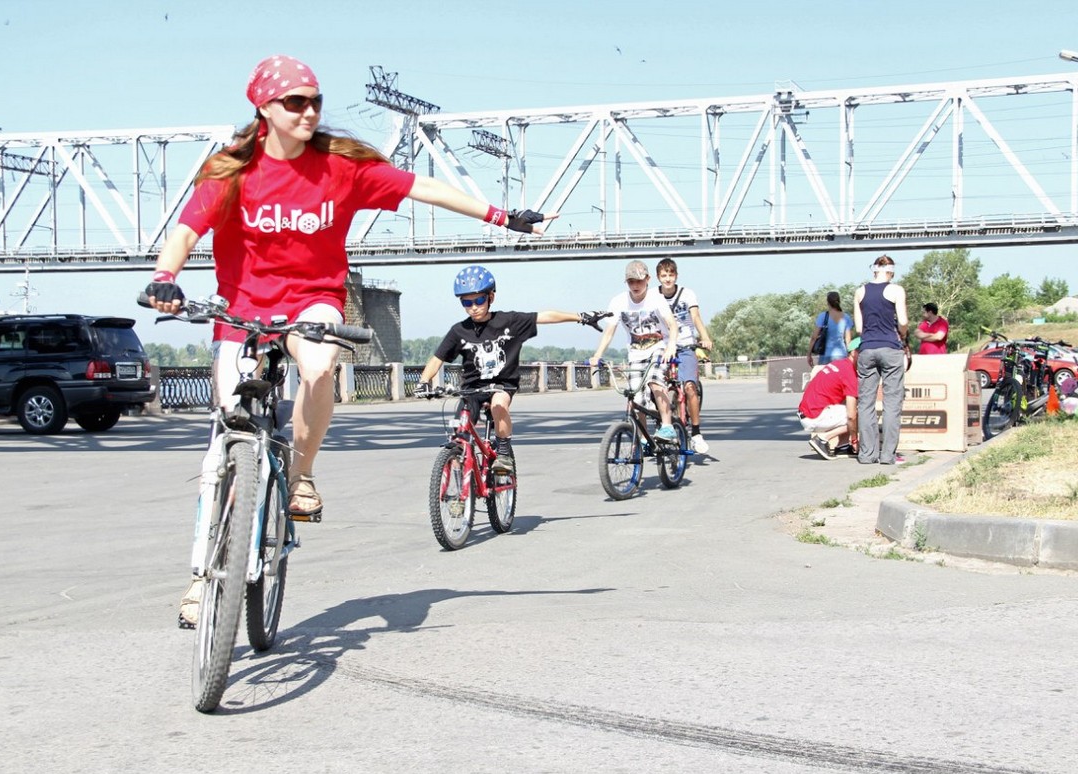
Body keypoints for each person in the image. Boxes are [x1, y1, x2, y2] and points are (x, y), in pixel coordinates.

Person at [145, 55, 551, 629]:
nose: (310, 111)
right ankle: (200, 578)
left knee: (317, 368)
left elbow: (424, 187)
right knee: (223, 443)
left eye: (314, 101)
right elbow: (187, 230)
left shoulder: (339, 167)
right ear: (263, 108)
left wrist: (504, 216)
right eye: (295, 102)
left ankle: (303, 475)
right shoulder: (229, 171)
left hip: (314, 297)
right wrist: (166, 278)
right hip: (242, 308)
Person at [413, 266, 608, 474]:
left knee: (498, 405)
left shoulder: (509, 322)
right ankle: (459, 496)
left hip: (502, 385)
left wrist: (580, 317)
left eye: (478, 300)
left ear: (491, 297)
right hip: (472, 389)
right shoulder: (459, 331)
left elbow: (544, 316)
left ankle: (504, 453)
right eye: (466, 303)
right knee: (458, 438)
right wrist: (423, 382)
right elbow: (437, 359)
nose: (473, 308)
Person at [588, 260, 680, 442]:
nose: (635, 285)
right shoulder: (618, 301)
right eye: (631, 282)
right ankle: (644, 438)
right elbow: (609, 332)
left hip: (660, 347)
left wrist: (671, 346)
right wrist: (597, 354)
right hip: (636, 352)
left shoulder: (656, 299)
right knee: (636, 397)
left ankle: (668, 426)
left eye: (639, 281)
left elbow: (672, 325)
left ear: (648, 279)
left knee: (655, 382)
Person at [853, 255, 909, 466]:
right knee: (892, 403)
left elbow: (859, 328)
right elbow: (902, 321)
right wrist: (902, 334)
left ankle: (867, 455)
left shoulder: (860, 292)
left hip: (867, 348)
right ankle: (888, 456)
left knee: (865, 403)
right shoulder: (896, 290)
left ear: (873, 270)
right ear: (891, 271)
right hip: (890, 348)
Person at [655, 257, 713, 454]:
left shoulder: (687, 294)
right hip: (662, 347)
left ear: (676, 276)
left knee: (689, 387)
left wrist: (704, 337)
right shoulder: (653, 295)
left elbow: (695, 317)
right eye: (664, 275)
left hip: (685, 344)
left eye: (671, 275)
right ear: (658, 277)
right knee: (655, 387)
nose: (668, 279)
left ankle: (696, 433)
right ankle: (663, 423)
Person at [798, 337, 861, 459]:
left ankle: (842, 446)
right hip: (814, 416)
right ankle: (822, 439)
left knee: (848, 408)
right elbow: (851, 416)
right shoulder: (850, 374)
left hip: (807, 412)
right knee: (857, 414)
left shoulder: (839, 364)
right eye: (864, 352)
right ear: (854, 352)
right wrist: (854, 440)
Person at [806, 291, 854, 368]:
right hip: (841, 354)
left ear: (828, 303)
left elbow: (814, 337)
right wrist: (851, 354)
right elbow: (848, 340)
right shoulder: (846, 317)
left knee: (825, 379)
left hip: (825, 355)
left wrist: (809, 354)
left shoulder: (823, 316)